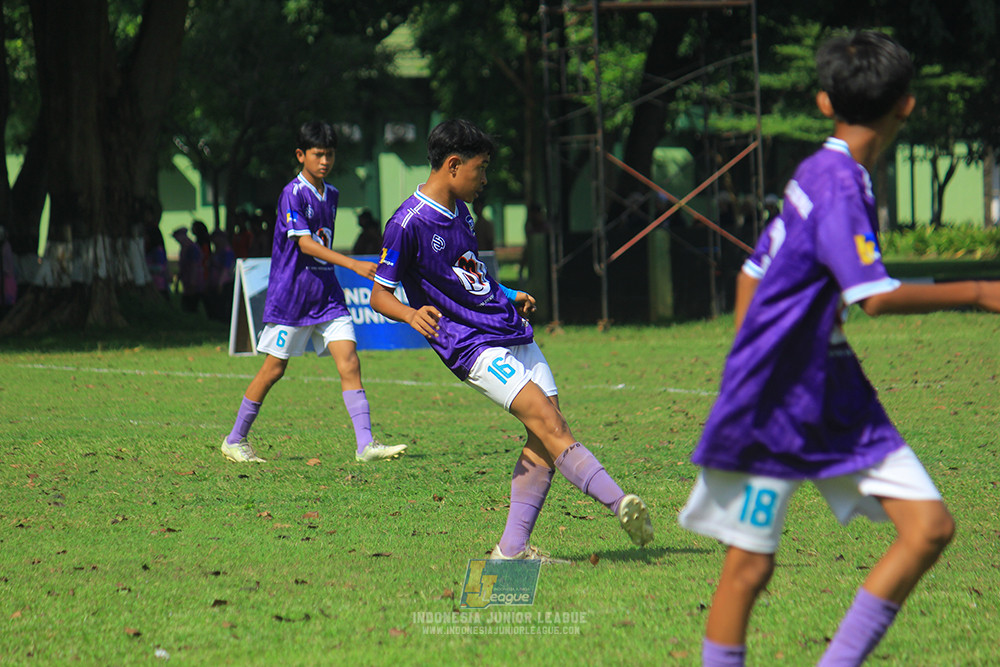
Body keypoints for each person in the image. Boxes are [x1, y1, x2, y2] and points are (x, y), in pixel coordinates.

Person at [677, 31, 1000, 667]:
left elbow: (753, 270)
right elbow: (872, 294)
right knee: (750, 565)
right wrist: (983, 292)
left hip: (833, 392)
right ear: (907, 106)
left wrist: (761, 344)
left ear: (825, 102)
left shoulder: (822, 168)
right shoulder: (838, 183)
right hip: (774, 401)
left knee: (929, 528)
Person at [370, 119, 653, 560]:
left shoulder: (461, 210)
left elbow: (468, 276)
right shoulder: (407, 223)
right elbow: (378, 295)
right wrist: (410, 313)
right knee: (552, 425)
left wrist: (505, 294)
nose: (484, 180)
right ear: (452, 165)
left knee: (545, 435)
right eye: (480, 170)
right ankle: (620, 503)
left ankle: (511, 549)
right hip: (470, 345)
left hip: (507, 327)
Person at [221, 121, 407, 464]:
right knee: (274, 370)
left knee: (350, 361)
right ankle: (235, 439)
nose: (325, 161)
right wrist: (352, 265)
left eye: (330, 154)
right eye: (318, 154)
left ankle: (365, 444)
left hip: (328, 297)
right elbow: (306, 244)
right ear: (301, 155)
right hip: (292, 298)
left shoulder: (332, 194)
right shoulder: (293, 193)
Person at [172, 226, 204, 313]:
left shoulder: (192, 248)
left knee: (191, 305)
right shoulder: (184, 248)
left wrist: (192, 282)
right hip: (187, 282)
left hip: (193, 283)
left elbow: (194, 267)